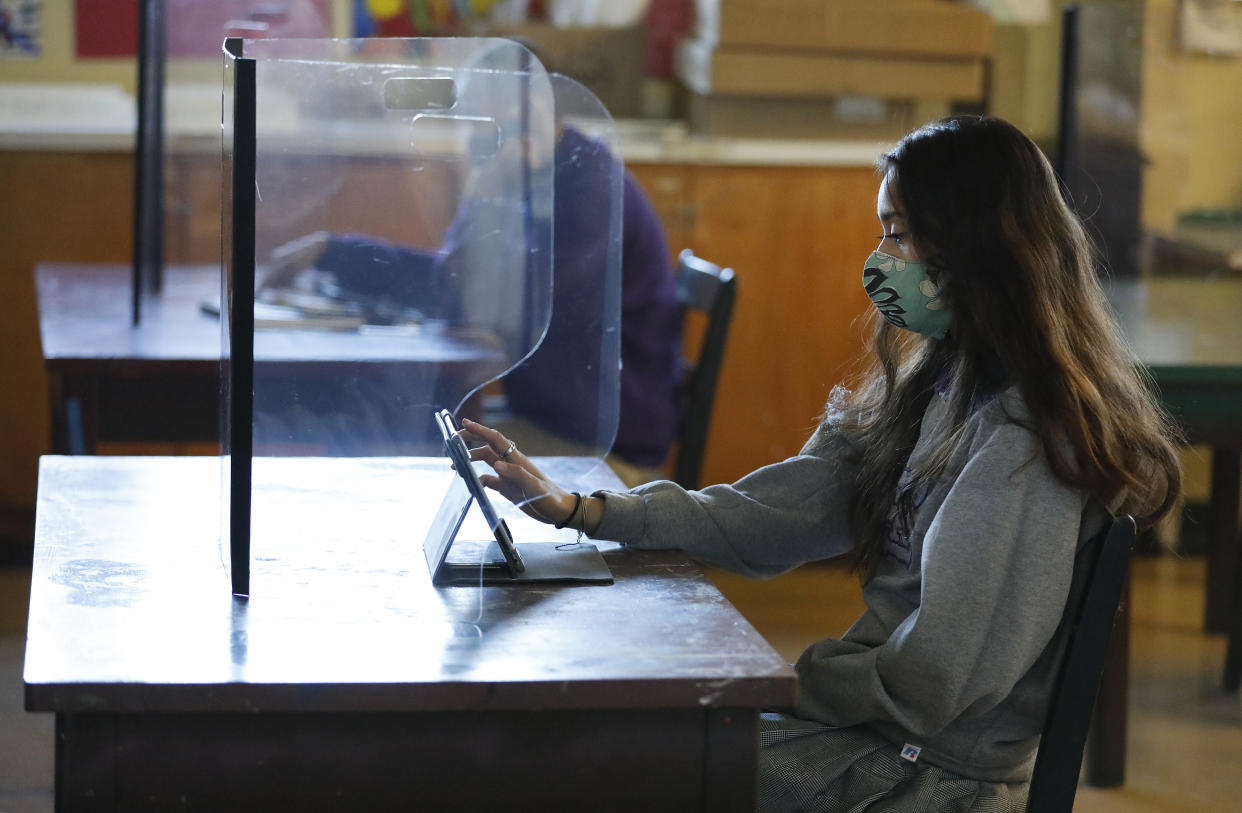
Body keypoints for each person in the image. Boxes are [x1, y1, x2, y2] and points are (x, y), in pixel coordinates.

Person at [458, 115, 1182, 811]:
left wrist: (784, 682)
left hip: (925, 782)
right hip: (872, 741)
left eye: (898, 232)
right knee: (626, 744)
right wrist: (590, 512)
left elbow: (933, 682)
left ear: (971, 246)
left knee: (621, 766)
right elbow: (773, 514)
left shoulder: (1021, 445)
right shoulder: (941, 383)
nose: (880, 259)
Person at [259, 125, 682, 482]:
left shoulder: (587, 191)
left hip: (601, 446)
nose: (478, 143)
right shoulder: (539, 178)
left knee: (396, 455)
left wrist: (482, 192)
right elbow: (451, 282)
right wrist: (332, 251)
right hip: (555, 415)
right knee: (377, 432)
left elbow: (467, 300)